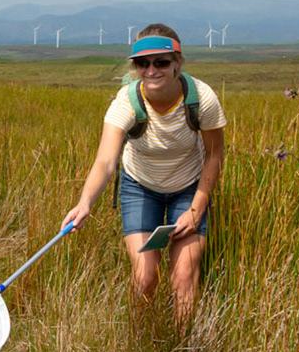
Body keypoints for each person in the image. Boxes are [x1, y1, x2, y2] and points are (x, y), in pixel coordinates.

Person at [61, 24, 226, 319]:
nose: (151, 70)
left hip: (188, 189)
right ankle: (140, 342)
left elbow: (214, 156)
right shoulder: (126, 102)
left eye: (161, 62)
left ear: (178, 62)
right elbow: (105, 161)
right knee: (145, 277)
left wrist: (197, 209)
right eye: (142, 63)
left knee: (184, 276)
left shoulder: (202, 98)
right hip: (140, 187)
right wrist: (84, 203)